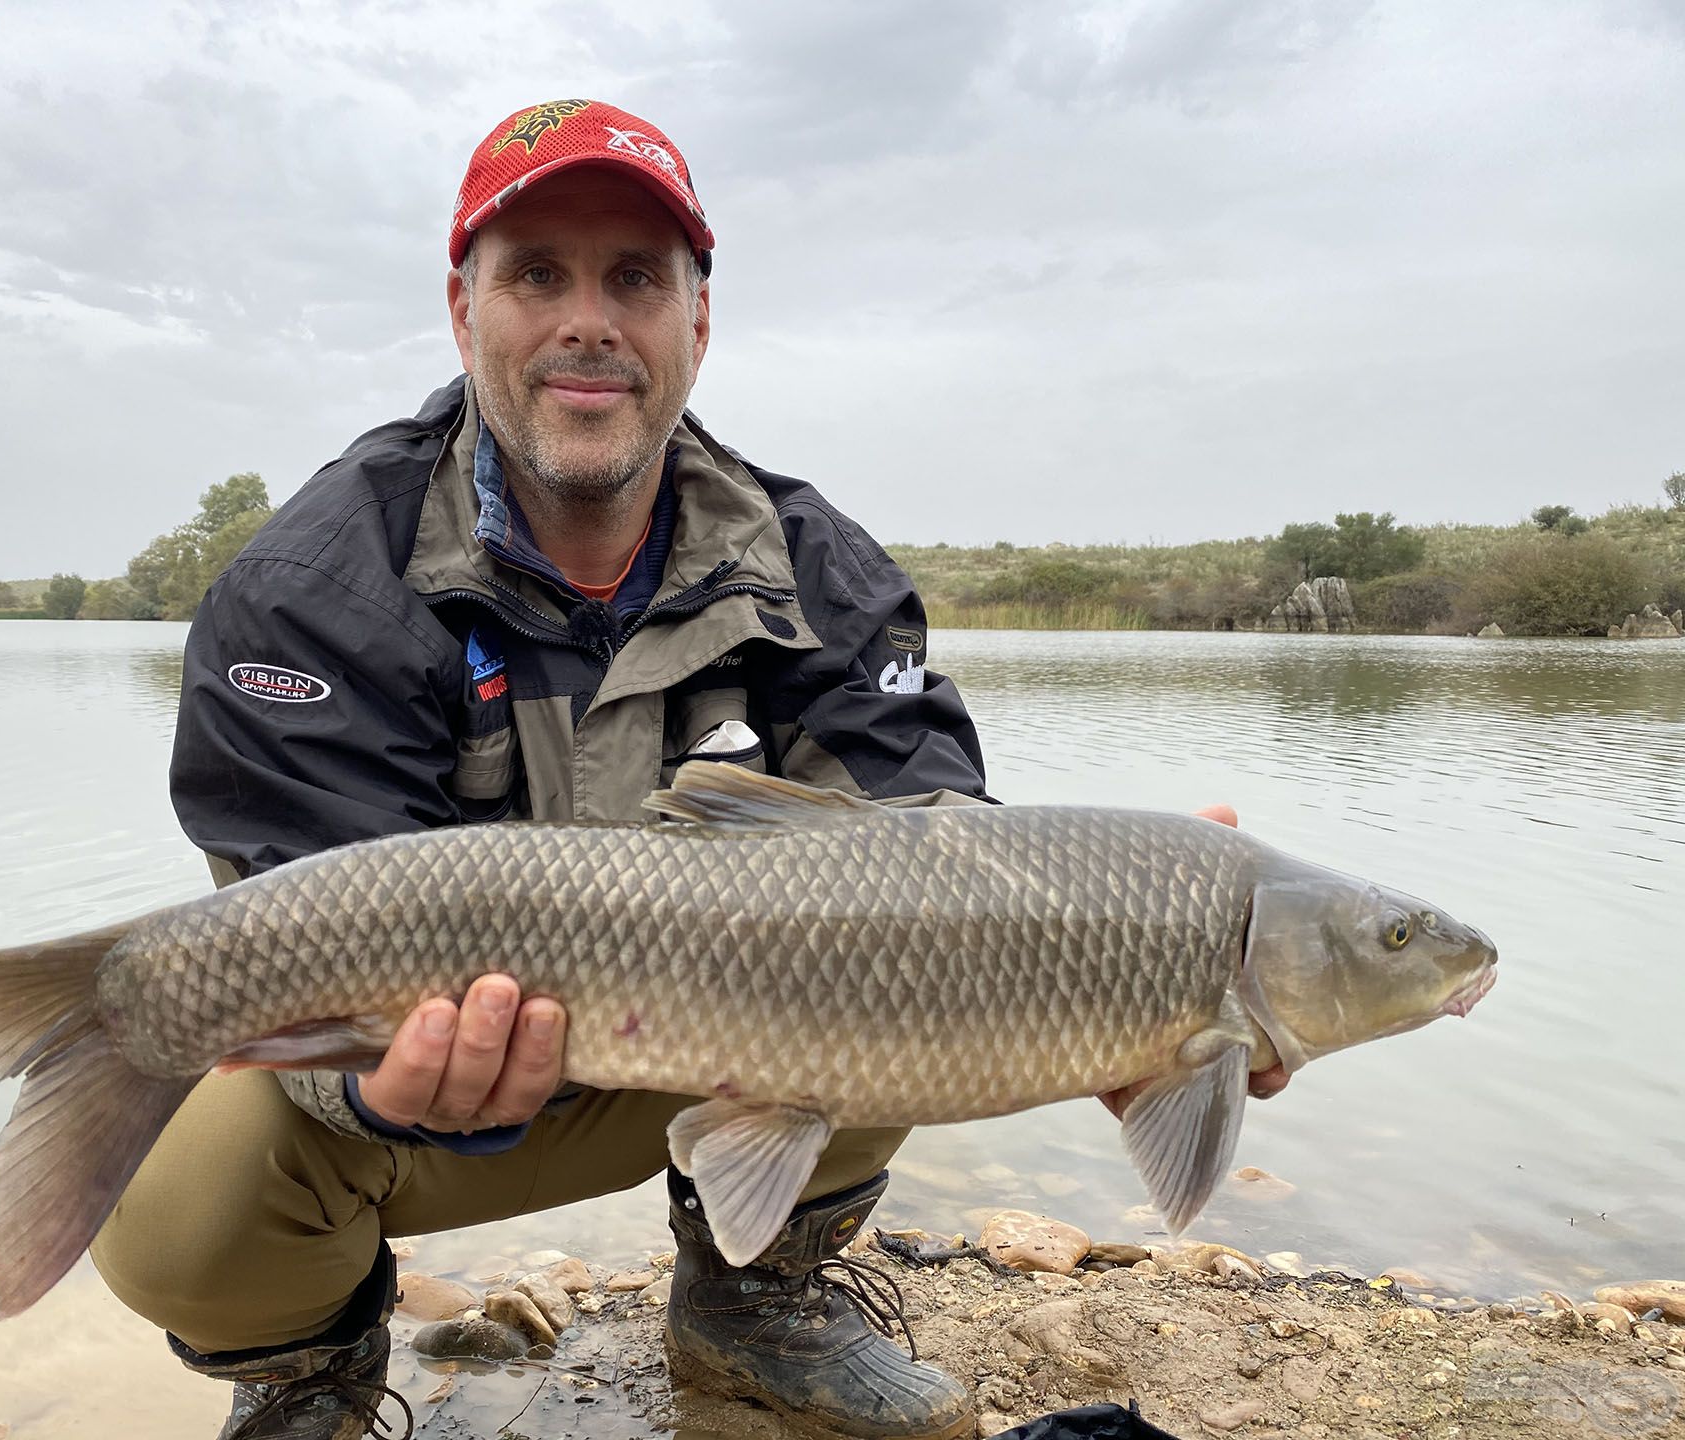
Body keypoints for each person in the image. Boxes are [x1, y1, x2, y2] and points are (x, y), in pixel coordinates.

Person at [89, 98, 1290, 1440]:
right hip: (412, 1083)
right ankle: (311, 1370)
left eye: (636, 279)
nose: (588, 320)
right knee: (174, 1194)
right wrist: (372, 1076)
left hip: (730, 1038)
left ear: (697, 323)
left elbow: (933, 836)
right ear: (461, 307)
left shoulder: (812, 564)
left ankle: (750, 1292)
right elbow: (297, 914)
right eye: (538, 273)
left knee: (920, 973)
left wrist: (1116, 937)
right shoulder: (312, 591)